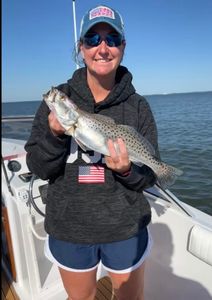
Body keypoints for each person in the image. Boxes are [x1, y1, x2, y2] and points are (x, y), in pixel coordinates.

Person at [25, 4, 159, 300]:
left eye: (111, 40)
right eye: (92, 39)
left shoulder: (139, 107)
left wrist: (126, 170)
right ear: (81, 47)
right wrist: (55, 135)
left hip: (125, 229)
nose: (102, 48)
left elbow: (148, 177)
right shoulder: (60, 102)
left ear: (122, 47)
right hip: (69, 228)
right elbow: (39, 167)